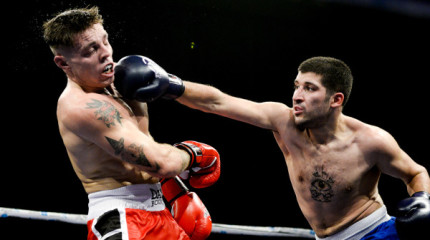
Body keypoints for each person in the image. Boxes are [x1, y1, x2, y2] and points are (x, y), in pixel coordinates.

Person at [114, 55, 430, 239]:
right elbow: (217, 101)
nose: (297, 96)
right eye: (297, 86)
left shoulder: (370, 141)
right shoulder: (284, 121)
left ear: (336, 100)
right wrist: (170, 85)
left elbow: (415, 172)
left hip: (378, 233)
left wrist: (423, 199)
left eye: (310, 89)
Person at [42, 7, 220, 240]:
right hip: (122, 220)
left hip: (157, 212)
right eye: (91, 50)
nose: (106, 54)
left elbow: (141, 147)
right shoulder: (79, 106)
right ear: (63, 63)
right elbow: (160, 162)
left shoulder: (123, 80)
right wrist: (193, 154)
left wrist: (174, 190)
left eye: (105, 41)